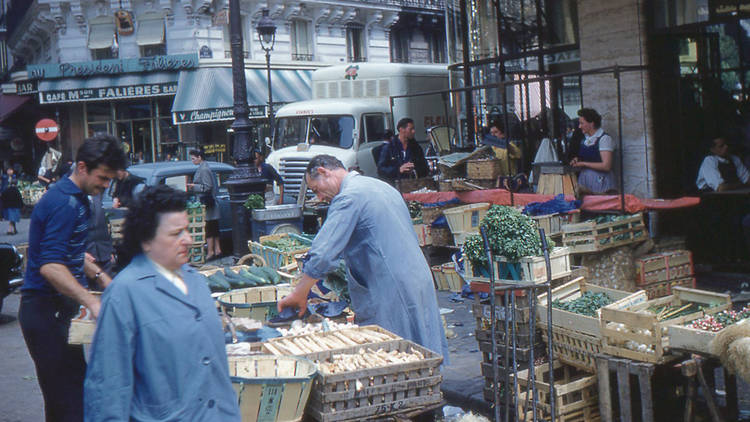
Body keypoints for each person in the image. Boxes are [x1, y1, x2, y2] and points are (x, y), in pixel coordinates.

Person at [84, 185, 241, 421]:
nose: (188, 239)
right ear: (146, 240)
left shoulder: (195, 281)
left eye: (187, 230)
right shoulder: (124, 294)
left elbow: (216, 372)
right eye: (175, 233)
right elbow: (108, 390)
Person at [278, 155, 448, 360]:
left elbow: (322, 255)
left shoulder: (348, 197)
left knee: (396, 360)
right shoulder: (380, 186)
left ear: (324, 171)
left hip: (391, 288)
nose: (320, 197)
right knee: (423, 354)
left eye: (316, 189)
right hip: (418, 279)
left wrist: (300, 292)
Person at [19, 133, 125, 421]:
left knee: (73, 396)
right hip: (45, 312)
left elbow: (68, 254)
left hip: (58, 312)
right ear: (81, 167)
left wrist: (103, 278)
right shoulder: (64, 203)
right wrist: (90, 301)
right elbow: (50, 266)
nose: (104, 186)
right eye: (102, 178)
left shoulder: (76, 199)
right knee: (68, 404)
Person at [569, 108, 616, 194]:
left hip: (600, 180)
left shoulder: (604, 139)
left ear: (591, 124)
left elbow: (606, 166)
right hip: (585, 179)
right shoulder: (585, 139)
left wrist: (583, 164)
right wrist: (577, 159)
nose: (579, 126)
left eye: (582, 123)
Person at [187, 149, 221, 260]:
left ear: (199, 157)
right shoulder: (204, 167)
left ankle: (211, 251)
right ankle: (217, 249)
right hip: (209, 202)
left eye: (193, 158)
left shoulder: (204, 169)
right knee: (213, 227)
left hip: (207, 202)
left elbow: (207, 186)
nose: (192, 161)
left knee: (209, 228)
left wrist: (193, 186)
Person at [377, 117, 429, 183]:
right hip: (395, 185)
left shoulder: (416, 147)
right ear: (401, 129)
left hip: (412, 184)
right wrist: (398, 170)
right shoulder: (389, 147)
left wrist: (414, 170)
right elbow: (381, 170)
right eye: (411, 129)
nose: (413, 131)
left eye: (414, 129)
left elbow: (425, 168)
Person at [86, 192, 115, 280]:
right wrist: (81, 253)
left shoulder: (96, 196)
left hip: (104, 254)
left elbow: (103, 226)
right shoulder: (71, 199)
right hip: (86, 256)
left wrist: (111, 250)